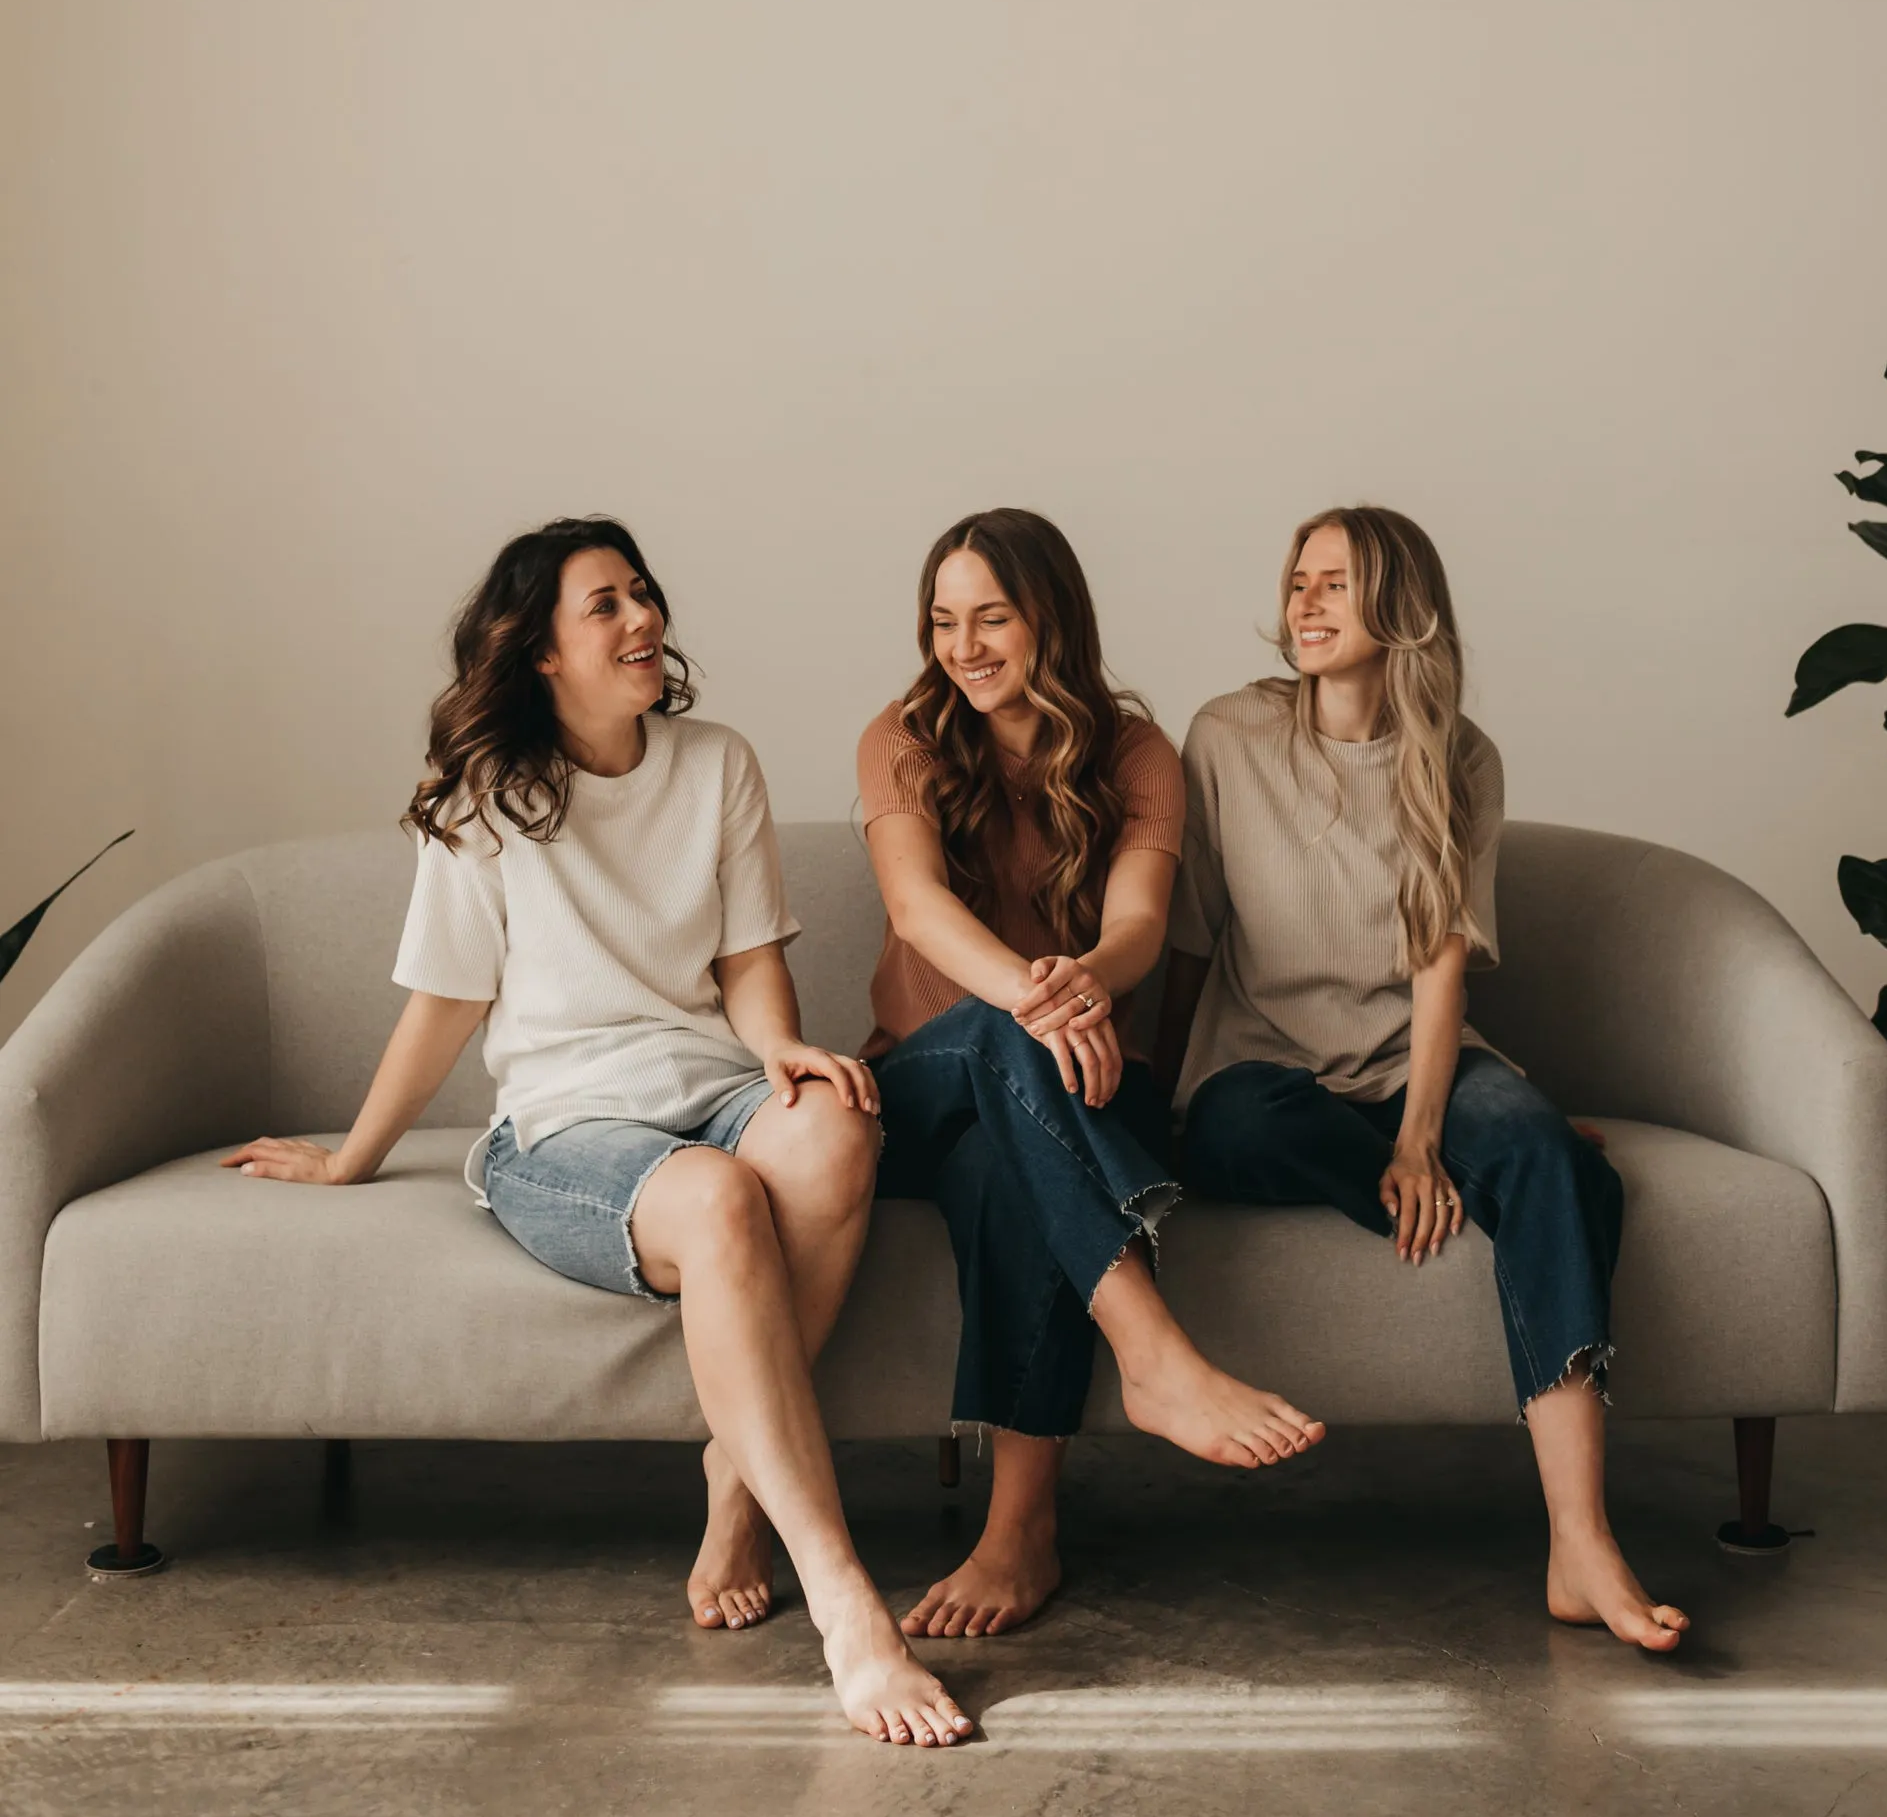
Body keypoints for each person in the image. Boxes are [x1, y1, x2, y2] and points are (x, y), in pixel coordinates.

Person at [223, 515, 970, 1749]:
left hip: (711, 1082)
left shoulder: (716, 762)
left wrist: (782, 1052)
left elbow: (744, 961)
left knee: (836, 1125)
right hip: (565, 1126)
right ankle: (845, 1604)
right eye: (602, 607)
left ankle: (735, 1470)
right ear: (541, 656)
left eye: (642, 594)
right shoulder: (483, 800)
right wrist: (351, 1155)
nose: (640, 621)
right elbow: (447, 1006)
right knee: (724, 1202)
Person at [1160, 504, 1688, 1653]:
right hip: (1269, 1074)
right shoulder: (1224, 737)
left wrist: (1415, 1137)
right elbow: (1189, 943)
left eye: (1334, 584)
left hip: (1418, 1068)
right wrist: (1154, 1098)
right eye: (1296, 580)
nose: (1303, 602)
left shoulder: (1456, 754)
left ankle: (1577, 1540)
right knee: (1234, 1130)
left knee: (1543, 1155)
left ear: (1399, 607)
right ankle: (1506, 1174)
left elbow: (1438, 970)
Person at [861, 507, 1325, 1641]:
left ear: (1050, 621)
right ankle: (1151, 1351)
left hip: (1067, 1098)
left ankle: (1017, 1535)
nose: (963, 647)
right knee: (997, 1036)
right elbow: (917, 912)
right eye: (941, 622)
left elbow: (1138, 927)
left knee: (1006, 1177)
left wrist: (1080, 984)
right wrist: (1035, 997)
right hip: (920, 1084)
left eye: (991, 618)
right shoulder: (903, 738)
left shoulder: (1132, 754)